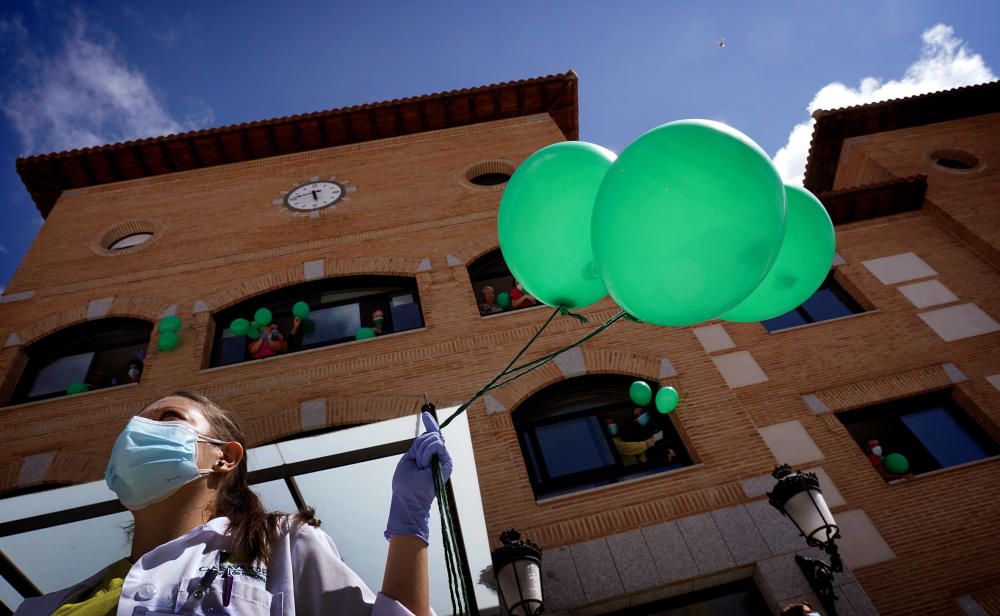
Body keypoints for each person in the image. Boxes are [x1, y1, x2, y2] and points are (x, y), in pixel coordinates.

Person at [14, 391, 451, 615]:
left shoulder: (280, 543)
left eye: (166, 419)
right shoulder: (45, 606)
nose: (136, 436)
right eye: (134, 425)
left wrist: (409, 519)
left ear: (225, 456)